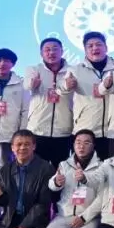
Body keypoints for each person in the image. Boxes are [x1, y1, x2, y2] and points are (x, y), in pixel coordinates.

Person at [61, 31, 114, 159]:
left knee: (110, 170)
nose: (95, 48)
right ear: (85, 49)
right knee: (83, 169)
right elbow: (62, 91)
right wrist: (67, 86)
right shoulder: (75, 70)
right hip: (85, 130)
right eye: (90, 46)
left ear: (106, 47)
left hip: (113, 131)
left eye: (98, 44)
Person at [24, 37, 74, 166]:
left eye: (55, 49)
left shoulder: (72, 71)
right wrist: (32, 84)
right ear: (41, 53)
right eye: (47, 50)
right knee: (37, 169)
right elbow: (26, 85)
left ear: (62, 51)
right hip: (38, 129)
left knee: (61, 169)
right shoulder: (34, 69)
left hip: (64, 129)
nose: (51, 52)